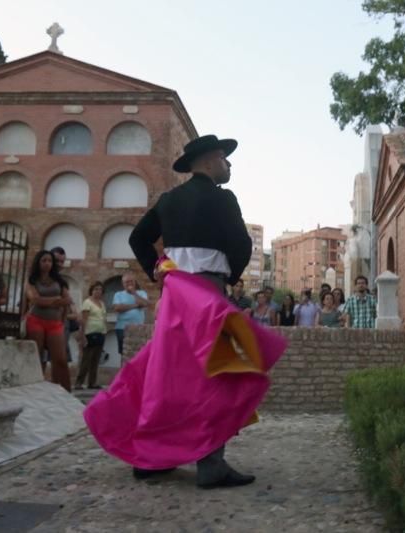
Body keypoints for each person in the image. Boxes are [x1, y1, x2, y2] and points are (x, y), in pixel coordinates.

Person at [85, 134, 286, 489]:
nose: (228, 165)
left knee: (167, 373)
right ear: (209, 160)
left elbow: (138, 238)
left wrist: (160, 268)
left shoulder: (169, 199)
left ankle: (151, 457)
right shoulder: (223, 199)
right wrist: (227, 278)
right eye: (225, 159)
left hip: (176, 293)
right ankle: (211, 465)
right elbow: (241, 244)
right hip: (207, 290)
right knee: (218, 372)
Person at [24, 250, 72, 391]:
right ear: (38, 262)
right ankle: (34, 388)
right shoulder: (32, 280)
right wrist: (57, 300)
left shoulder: (60, 281)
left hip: (55, 324)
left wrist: (52, 304)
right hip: (36, 320)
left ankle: (63, 390)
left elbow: (68, 300)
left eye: (50, 261)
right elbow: (34, 299)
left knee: (61, 360)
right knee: (37, 358)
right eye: (44, 260)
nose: (47, 263)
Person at [76, 281, 107, 390]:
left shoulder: (102, 303)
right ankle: (79, 382)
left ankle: (92, 382)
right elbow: (84, 320)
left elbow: (103, 318)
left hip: (101, 332)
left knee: (96, 359)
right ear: (91, 290)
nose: (98, 291)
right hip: (90, 333)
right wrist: (82, 335)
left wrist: (105, 332)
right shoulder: (87, 302)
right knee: (86, 359)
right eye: (95, 289)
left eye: (100, 289)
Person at [111, 273, 149, 357]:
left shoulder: (141, 293)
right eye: (127, 282)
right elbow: (117, 308)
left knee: (139, 353)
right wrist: (135, 305)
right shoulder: (118, 294)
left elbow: (144, 303)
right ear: (123, 284)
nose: (129, 284)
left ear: (135, 282)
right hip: (122, 328)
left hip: (138, 328)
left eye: (131, 281)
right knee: (124, 353)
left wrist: (134, 293)